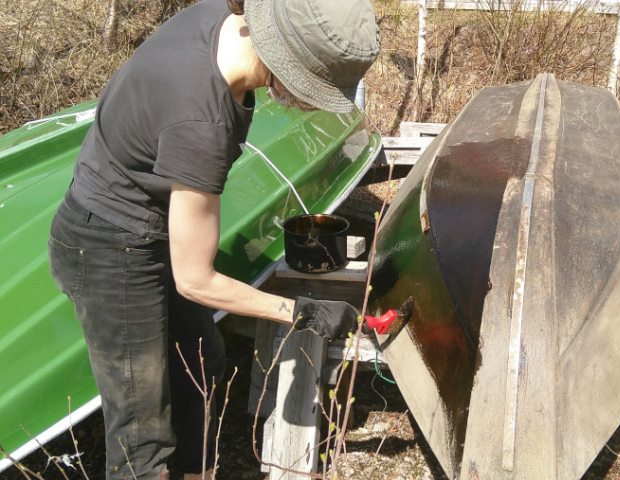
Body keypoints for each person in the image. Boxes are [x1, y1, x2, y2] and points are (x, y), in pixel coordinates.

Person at [46, 0, 379, 478]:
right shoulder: (202, 125)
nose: (312, 102)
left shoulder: (219, 20)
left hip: (150, 221)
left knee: (202, 361)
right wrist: (301, 312)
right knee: (143, 436)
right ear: (288, 65)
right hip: (105, 244)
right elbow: (196, 280)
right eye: (317, 89)